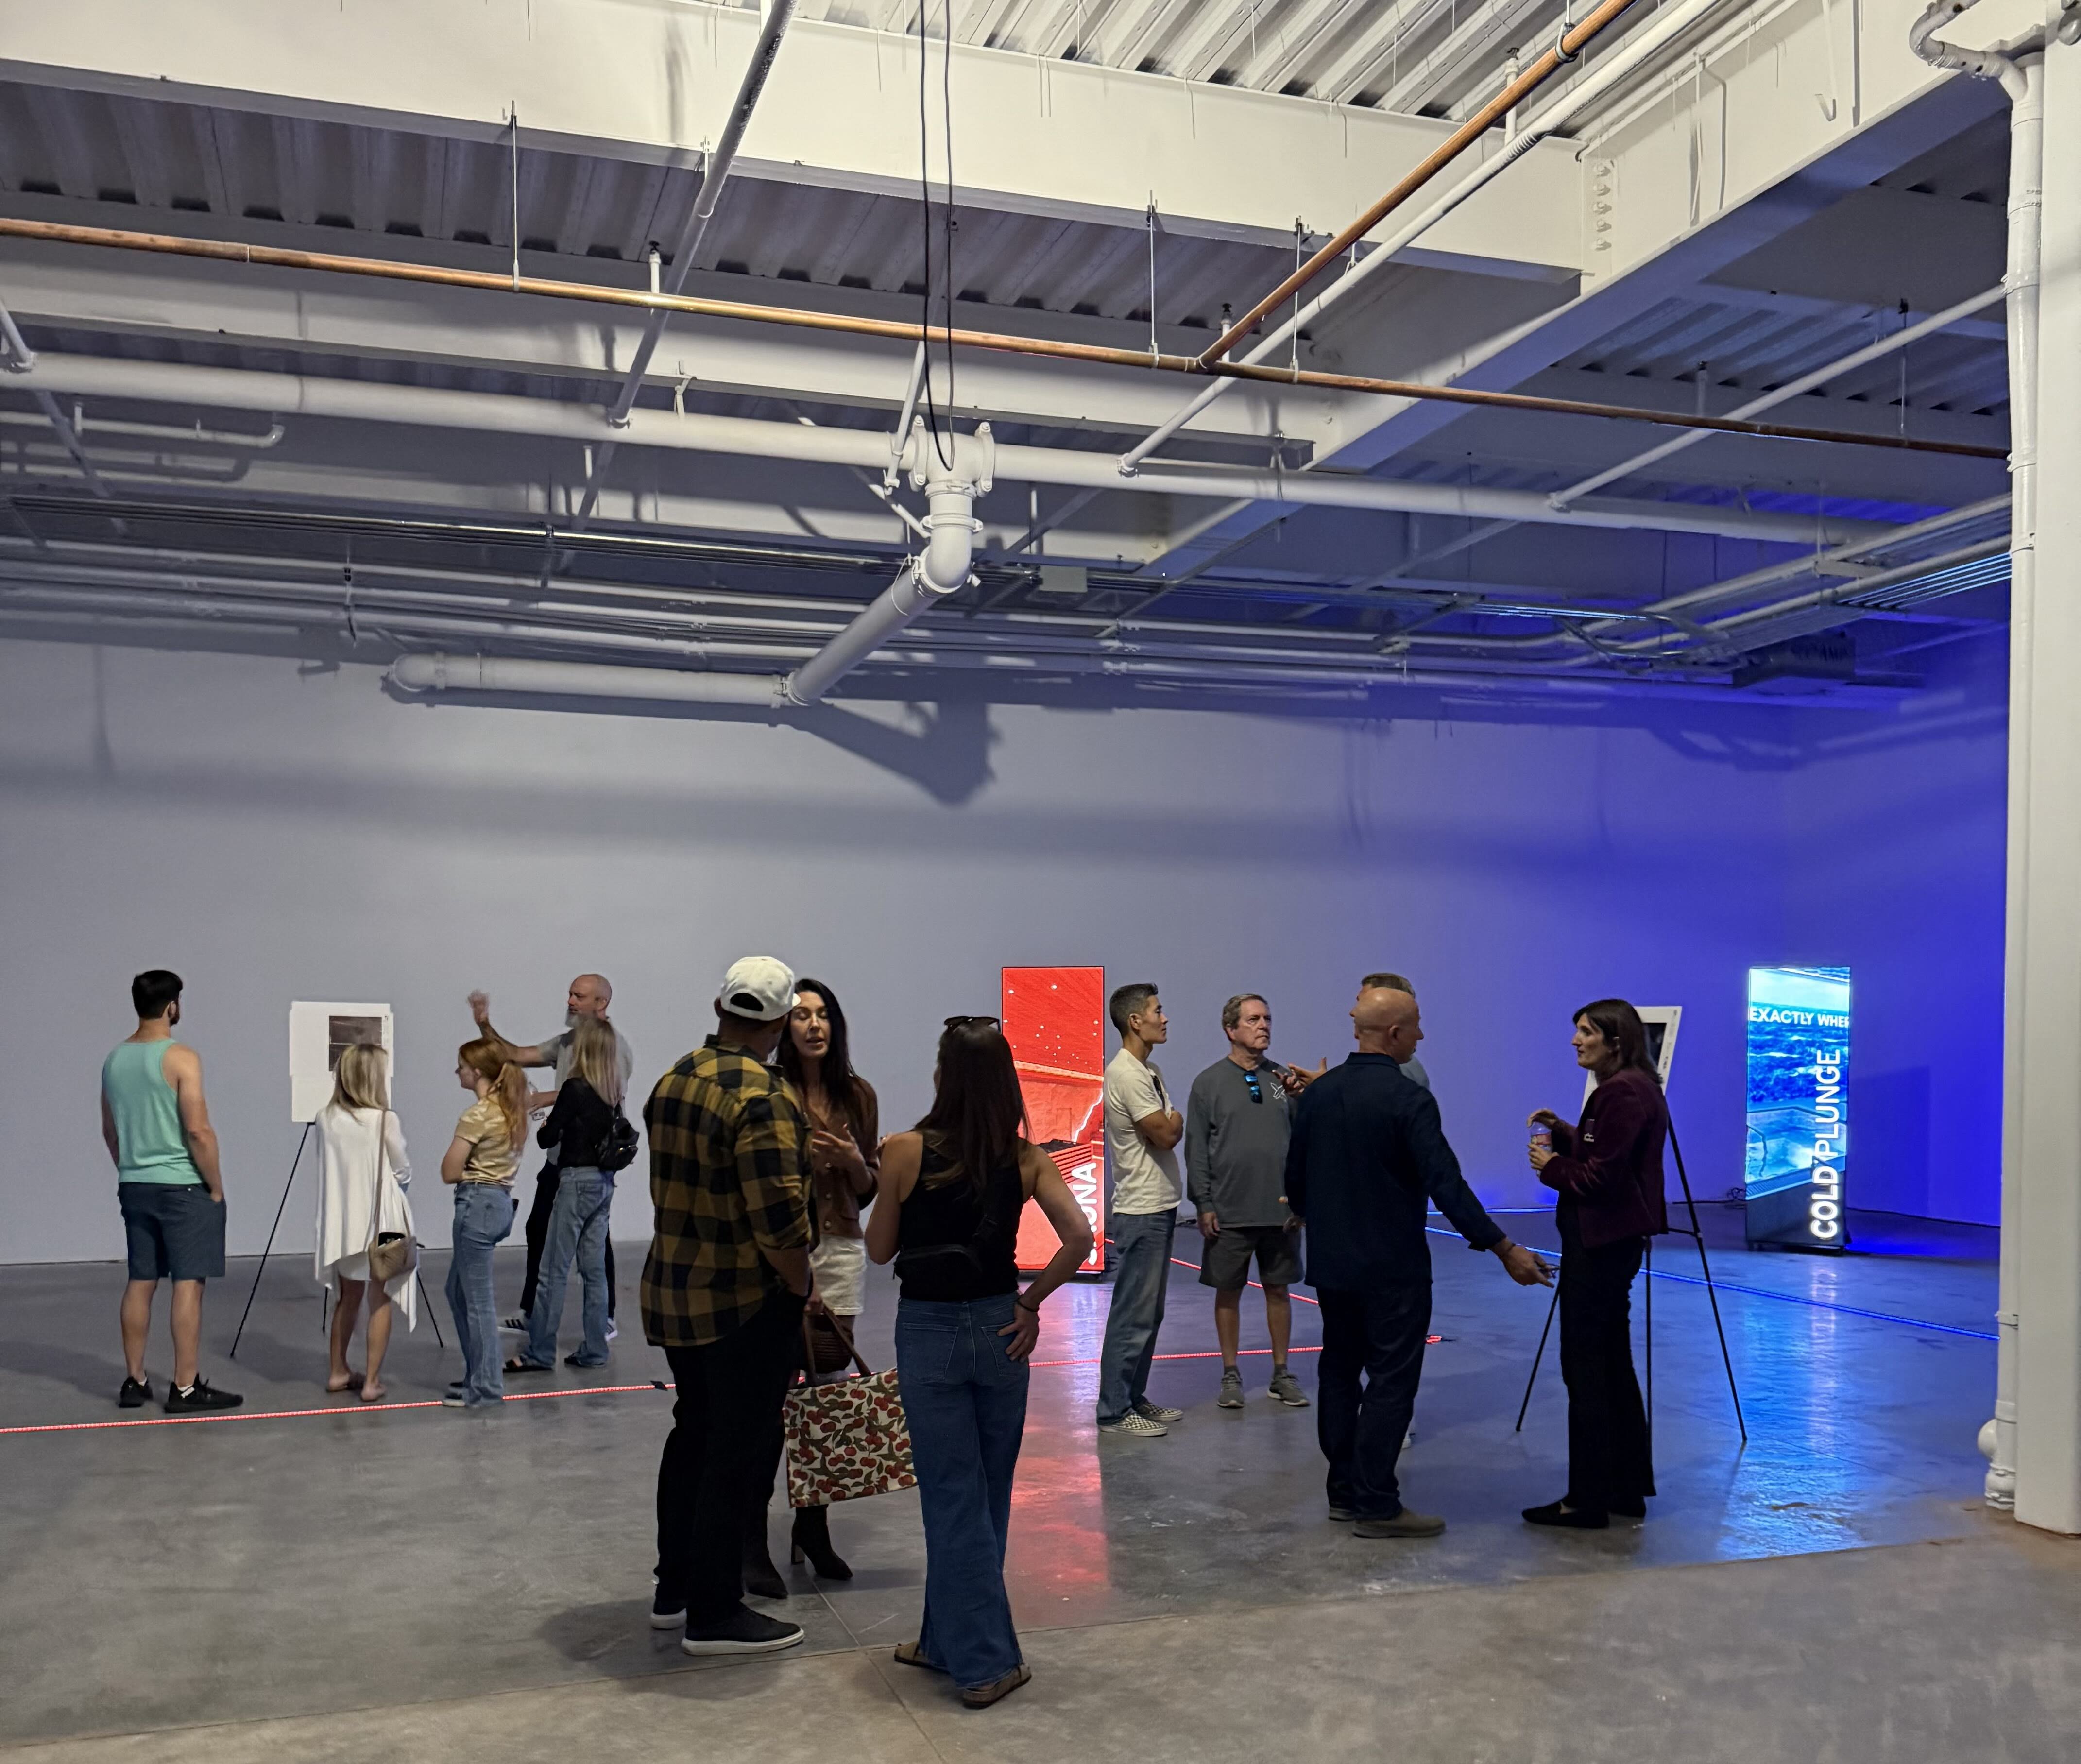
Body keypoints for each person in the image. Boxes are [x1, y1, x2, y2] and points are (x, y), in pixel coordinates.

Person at [867, 1016, 1094, 1710]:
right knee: (984, 1496)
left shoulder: (903, 1150)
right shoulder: (1026, 1159)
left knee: (950, 1495)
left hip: (929, 1332)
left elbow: (879, 1249)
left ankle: (985, 1661)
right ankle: (945, 1638)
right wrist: (1032, 1303)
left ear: (942, 1076)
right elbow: (1079, 1236)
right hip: (1002, 1329)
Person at [1286, 986, 1552, 1538]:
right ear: (1395, 1034)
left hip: (1334, 1267)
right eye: (1418, 1026)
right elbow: (1446, 1184)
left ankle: (1344, 1492)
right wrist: (1503, 1246)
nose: (1423, 1036)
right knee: (1391, 1379)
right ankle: (1377, 1504)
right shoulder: (1410, 1100)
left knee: (1338, 1370)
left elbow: (1296, 1178)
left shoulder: (1318, 1095)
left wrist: (1322, 1222)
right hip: (1393, 1269)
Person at [645, 957, 814, 1659]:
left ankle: (675, 1587)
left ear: (722, 1008)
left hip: (675, 1291)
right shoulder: (764, 1096)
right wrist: (802, 1286)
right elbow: (777, 1222)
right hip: (742, 1302)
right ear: (776, 1024)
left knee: (693, 1432)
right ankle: (714, 1610)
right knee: (733, 1452)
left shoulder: (675, 1077)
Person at [1524, 997, 1671, 1530]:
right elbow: (1607, 1152)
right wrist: (1567, 1132)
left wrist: (1552, 1164)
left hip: (1600, 1245)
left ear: (1615, 1039)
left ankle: (1586, 1498)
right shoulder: (1630, 1088)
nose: (1575, 1040)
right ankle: (1624, 1488)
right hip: (1612, 1245)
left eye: (1586, 1031)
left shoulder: (1622, 1092)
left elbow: (1600, 1177)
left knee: (1586, 1369)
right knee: (1611, 1366)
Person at [770, 978, 880, 1582]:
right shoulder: (771, 1090)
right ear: (784, 1028)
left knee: (828, 1394)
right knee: (771, 1391)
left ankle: (813, 1525)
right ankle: (751, 1534)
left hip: (839, 1248)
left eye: (822, 1015)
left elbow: (869, 1191)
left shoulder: (857, 1095)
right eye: (800, 1015)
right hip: (783, 1251)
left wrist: (852, 1164)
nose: (813, 1025)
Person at [101, 969, 242, 1413]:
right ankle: (184, 1386)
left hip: (135, 1183)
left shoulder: (114, 1060)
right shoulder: (182, 1058)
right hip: (182, 1185)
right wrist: (215, 1186)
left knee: (141, 1280)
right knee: (187, 1283)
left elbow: (110, 1130)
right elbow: (198, 1130)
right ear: (172, 1006)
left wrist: (130, 1168)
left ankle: (135, 1378)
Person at [468, 976, 634, 1337]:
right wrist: (484, 1024)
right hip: (560, 1159)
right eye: (571, 994)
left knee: (593, 1243)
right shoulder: (567, 1042)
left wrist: (547, 1098)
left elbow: (605, 1088)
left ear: (602, 1003)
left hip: (589, 1163)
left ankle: (603, 1318)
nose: (571, 1000)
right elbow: (516, 1053)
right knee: (539, 1229)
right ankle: (532, 1313)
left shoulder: (613, 1047)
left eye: (580, 995)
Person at [1186, 994, 1308, 1412]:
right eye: (1253, 1019)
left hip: (1280, 1209)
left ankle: (1281, 1372)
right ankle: (1231, 1372)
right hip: (1230, 1209)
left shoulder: (1285, 1081)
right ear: (1231, 1029)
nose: (1264, 1026)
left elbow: (1304, 1140)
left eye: (1268, 1019)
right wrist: (1204, 1201)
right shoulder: (1208, 1083)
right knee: (1228, 1291)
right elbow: (1197, 1148)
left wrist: (1303, 1199)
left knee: (1279, 1288)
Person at [507, 1014, 625, 1376]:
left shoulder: (575, 1088)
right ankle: (594, 1348)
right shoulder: (612, 1089)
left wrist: (547, 1125)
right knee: (593, 1271)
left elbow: (548, 1137)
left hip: (574, 1180)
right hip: (604, 1183)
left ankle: (540, 1351)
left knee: (552, 1270)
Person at [1094, 982, 1186, 1439]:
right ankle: (1113, 1409)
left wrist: (1173, 1120)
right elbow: (1166, 1133)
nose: (1164, 1017)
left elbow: (1167, 1126)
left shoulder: (1149, 1071)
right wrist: (1176, 1120)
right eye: (1157, 1009)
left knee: (1150, 1312)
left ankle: (1133, 1396)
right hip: (1141, 1210)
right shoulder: (1128, 1074)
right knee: (1133, 1312)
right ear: (1136, 1020)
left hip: (1159, 1205)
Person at [312, 1041, 415, 1402]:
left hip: (344, 1227)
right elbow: (401, 1168)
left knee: (347, 1299)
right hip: (384, 1223)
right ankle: (372, 1381)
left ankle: (338, 1370)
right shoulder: (385, 1119)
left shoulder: (326, 1118)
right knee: (381, 1297)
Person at [440, 1038, 528, 1408]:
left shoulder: (477, 1115)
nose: (457, 1071)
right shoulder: (511, 1109)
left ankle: (487, 1388)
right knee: (458, 1291)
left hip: (477, 1203)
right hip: (499, 1202)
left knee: (477, 1302)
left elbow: (449, 1170)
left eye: (461, 1065)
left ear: (477, 1071)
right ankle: (478, 1375)